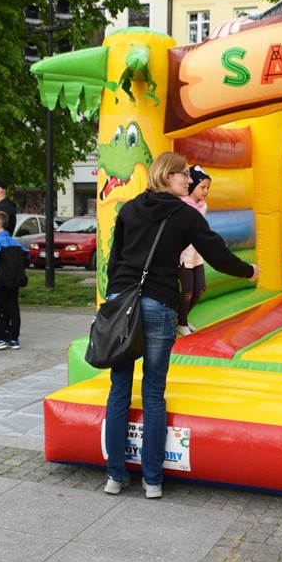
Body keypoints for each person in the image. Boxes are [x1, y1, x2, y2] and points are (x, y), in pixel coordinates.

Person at [104, 151, 259, 499]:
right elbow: (217, 253)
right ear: (166, 175)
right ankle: (153, 480)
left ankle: (115, 476)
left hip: (122, 301)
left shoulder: (128, 209)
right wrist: (248, 271)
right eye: (184, 175)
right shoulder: (184, 213)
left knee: (119, 388)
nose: (189, 180)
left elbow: (115, 260)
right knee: (153, 390)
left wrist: (114, 301)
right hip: (157, 301)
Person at [0, 210, 27, 351]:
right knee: (13, 308)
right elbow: (26, 255)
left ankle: (0, 337)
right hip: (14, 279)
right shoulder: (14, 242)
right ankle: (14, 339)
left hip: (0, 279)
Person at [177, 165, 211, 335]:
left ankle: (181, 317)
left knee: (201, 287)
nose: (205, 191)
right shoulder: (182, 204)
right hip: (183, 256)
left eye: (207, 188)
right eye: (202, 187)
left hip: (197, 255)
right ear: (192, 185)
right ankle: (181, 322)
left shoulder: (203, 206)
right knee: (188, 289)